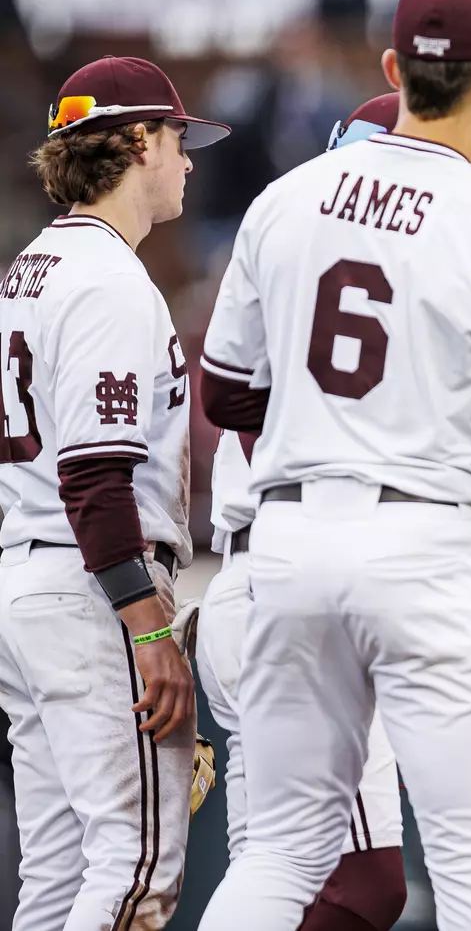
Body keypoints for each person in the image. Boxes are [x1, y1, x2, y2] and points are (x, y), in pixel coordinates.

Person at [194, 0, 471, 930]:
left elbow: (228, 393)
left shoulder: (286, 198)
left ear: (392, 66)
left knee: (282, 853)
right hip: (422, 543)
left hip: (283, 543)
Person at [0, 56, 229, 927]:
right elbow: (93, 476)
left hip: (35, 578)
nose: (188, 160)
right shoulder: (105, 279)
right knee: (137, 869)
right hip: (93, 589)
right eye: (177, 139)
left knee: (57, 876)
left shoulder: (33, 265)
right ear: (137, 141)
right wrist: (152, 627)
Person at [195, 92, 408, 931]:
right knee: (360, 886)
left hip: (252, 574)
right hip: (305, 570)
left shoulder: (277, 242)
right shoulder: (377, 265)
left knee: (280, 878)